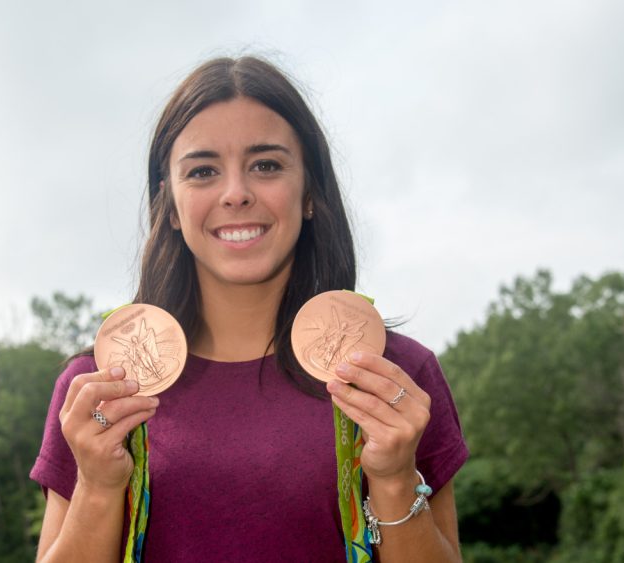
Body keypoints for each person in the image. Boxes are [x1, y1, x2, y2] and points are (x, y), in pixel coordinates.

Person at [30, 56, 468, 562]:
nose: (236, 193)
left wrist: (392, 479)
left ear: (310, 193)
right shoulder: (98, 390)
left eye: (266, 165)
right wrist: (99, 487)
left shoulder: (395, 378)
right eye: (203, 171)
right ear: (169, 205)